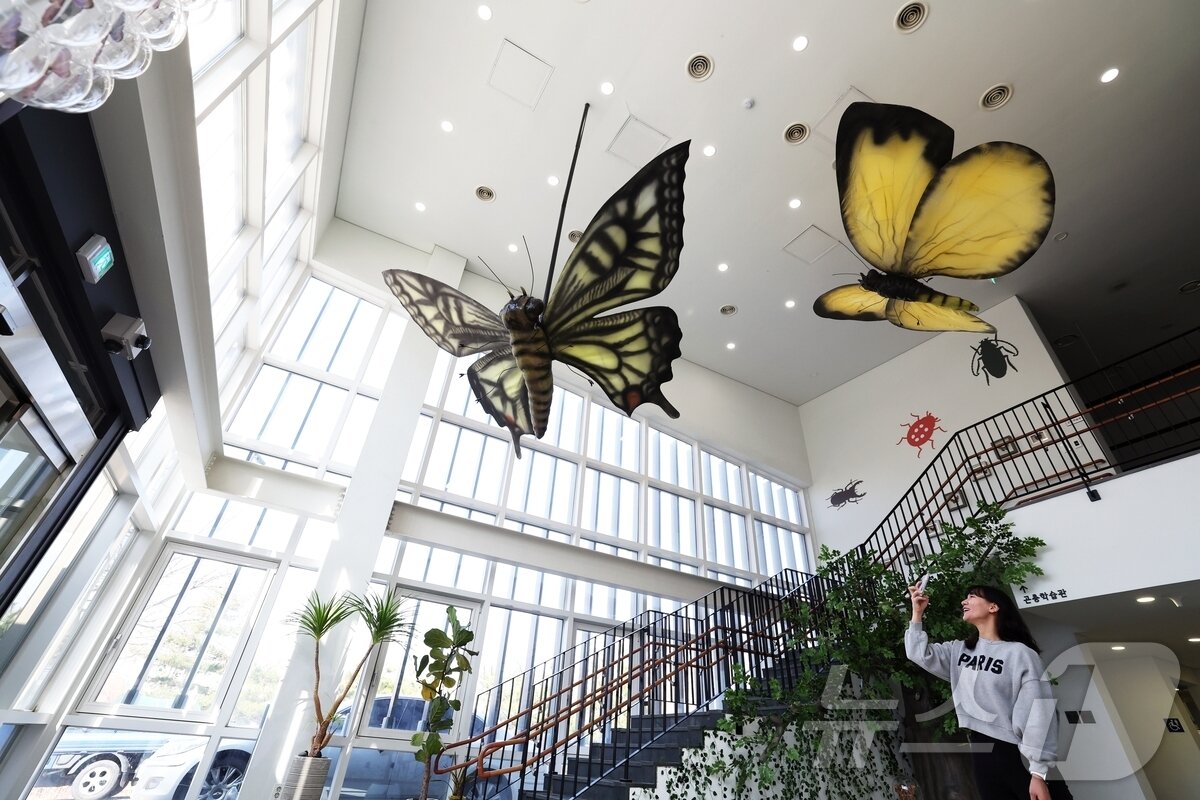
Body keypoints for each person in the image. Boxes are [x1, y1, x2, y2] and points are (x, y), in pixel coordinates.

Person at [906, 583, 1073, 800]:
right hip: (981, 749)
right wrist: (917, 613)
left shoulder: (1019, 653)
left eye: (972, 597)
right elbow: (918, 653)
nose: (964, 602)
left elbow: (1039, 711)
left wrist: (1038, 772)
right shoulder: (959, 651)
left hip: (1018, 753)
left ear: (993, 607)